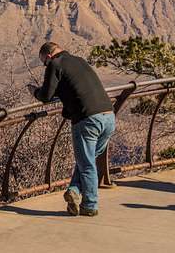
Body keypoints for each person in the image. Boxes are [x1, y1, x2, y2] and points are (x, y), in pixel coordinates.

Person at [28, 42, 115, 217]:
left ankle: (90, 205)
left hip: (87, 119)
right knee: (87, 161)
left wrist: (34, 91)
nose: (46, 66)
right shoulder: (79, 61)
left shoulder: (55, 64)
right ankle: (74, 191)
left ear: (49, 57)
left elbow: (46, 95)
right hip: (109, 116)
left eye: (44, 62)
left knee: (87, 164)